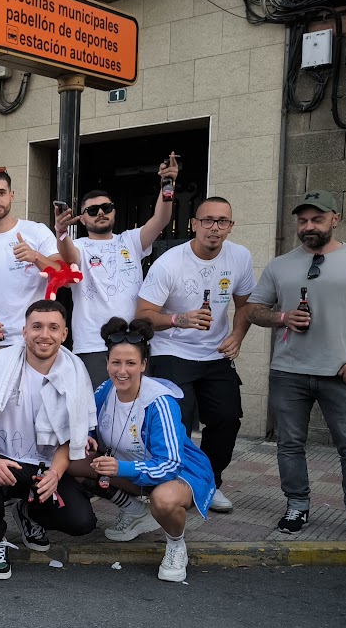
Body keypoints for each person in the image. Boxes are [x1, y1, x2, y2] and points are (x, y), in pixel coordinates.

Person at [245, 189, 346, 546]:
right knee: (289, 444)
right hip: (289, 372)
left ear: (335, 219)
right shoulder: (280, 265)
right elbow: (253, 309)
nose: (308, 226)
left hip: (340, 373)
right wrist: (282, 317)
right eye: (302, 221)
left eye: (317, 219)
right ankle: (297, 504)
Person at [69, 317, 217, 583]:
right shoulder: (104, 390)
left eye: (130, 363)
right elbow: (88, 423)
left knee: (164, 499)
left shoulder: (159, 402)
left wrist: (120, 468)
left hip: (180, 473)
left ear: (144, 365)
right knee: (71, 459)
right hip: (132, 467)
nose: (122, 371)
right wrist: (89, 438)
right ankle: (135, 511)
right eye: (116, 362)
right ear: (107, 363)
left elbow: (170, 464)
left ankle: (175, 544)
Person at [135, 196, 255, 515]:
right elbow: (143, 315)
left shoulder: (240, 257)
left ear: (231, 226)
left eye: (222, 222)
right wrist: (180, 319)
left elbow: (245, 305)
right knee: (177, 424)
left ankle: (208, 483)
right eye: (207, 220)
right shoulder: (171, 262)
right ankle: (175, 486)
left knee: (227, 419)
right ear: (194, 224)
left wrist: (238, 336)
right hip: (172, 351)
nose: (214, 228)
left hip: (215, 355)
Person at [0, 299, 97, 579]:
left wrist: (56, 474)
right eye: (36, 326)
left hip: (46, 466)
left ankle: (28, 512)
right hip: (3, 460)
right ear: (24, 331)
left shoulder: (76, 371)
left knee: (82, 521)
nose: (44, 334)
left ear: (65, 333)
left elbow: (71, 432)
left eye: (53, 327)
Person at [51, 153, 179, 386]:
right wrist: (60, 231)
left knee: (134, 412)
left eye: (105, 207)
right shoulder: (79, 245)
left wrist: (167, 185)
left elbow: (160, 220)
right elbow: (69, 256)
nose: (100, 212)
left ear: (114, 211)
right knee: (98, 412)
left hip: (134, 340)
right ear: (82, 219)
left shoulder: (131, 240)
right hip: (93, 344)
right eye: (92, 210)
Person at [0, 168, 60, 366]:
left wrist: (36, 257)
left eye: (1, 193)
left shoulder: (37, 231)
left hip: (39, 337)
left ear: (12, 195)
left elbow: (61, 272)